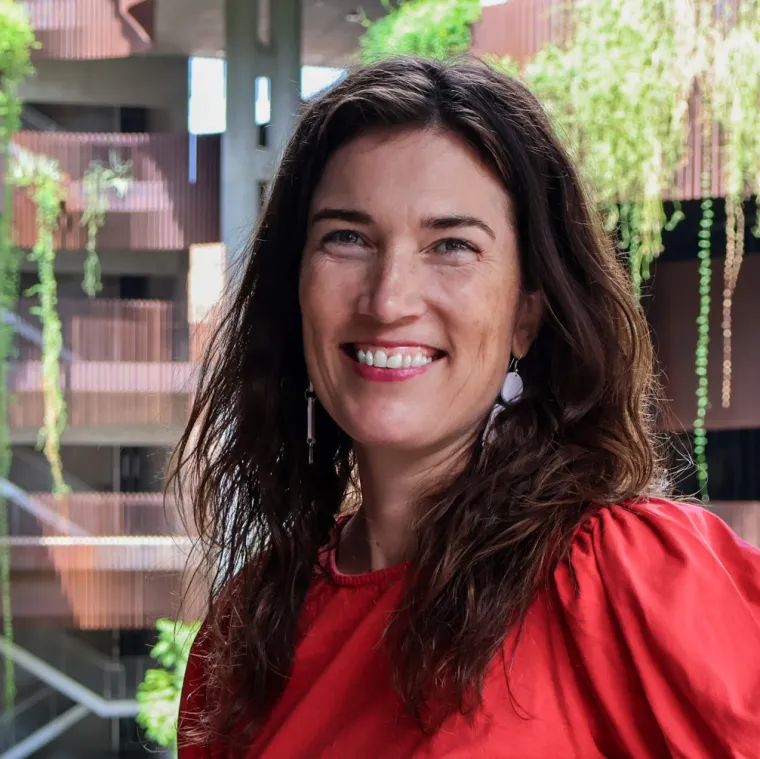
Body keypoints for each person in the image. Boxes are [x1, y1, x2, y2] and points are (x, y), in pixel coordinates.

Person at [175, 57, 760, 758]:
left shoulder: (624, 575)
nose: (389, 298)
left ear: (527, 315)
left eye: (451, 245)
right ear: (293, 288)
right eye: (347, 238)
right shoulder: (248, 627)